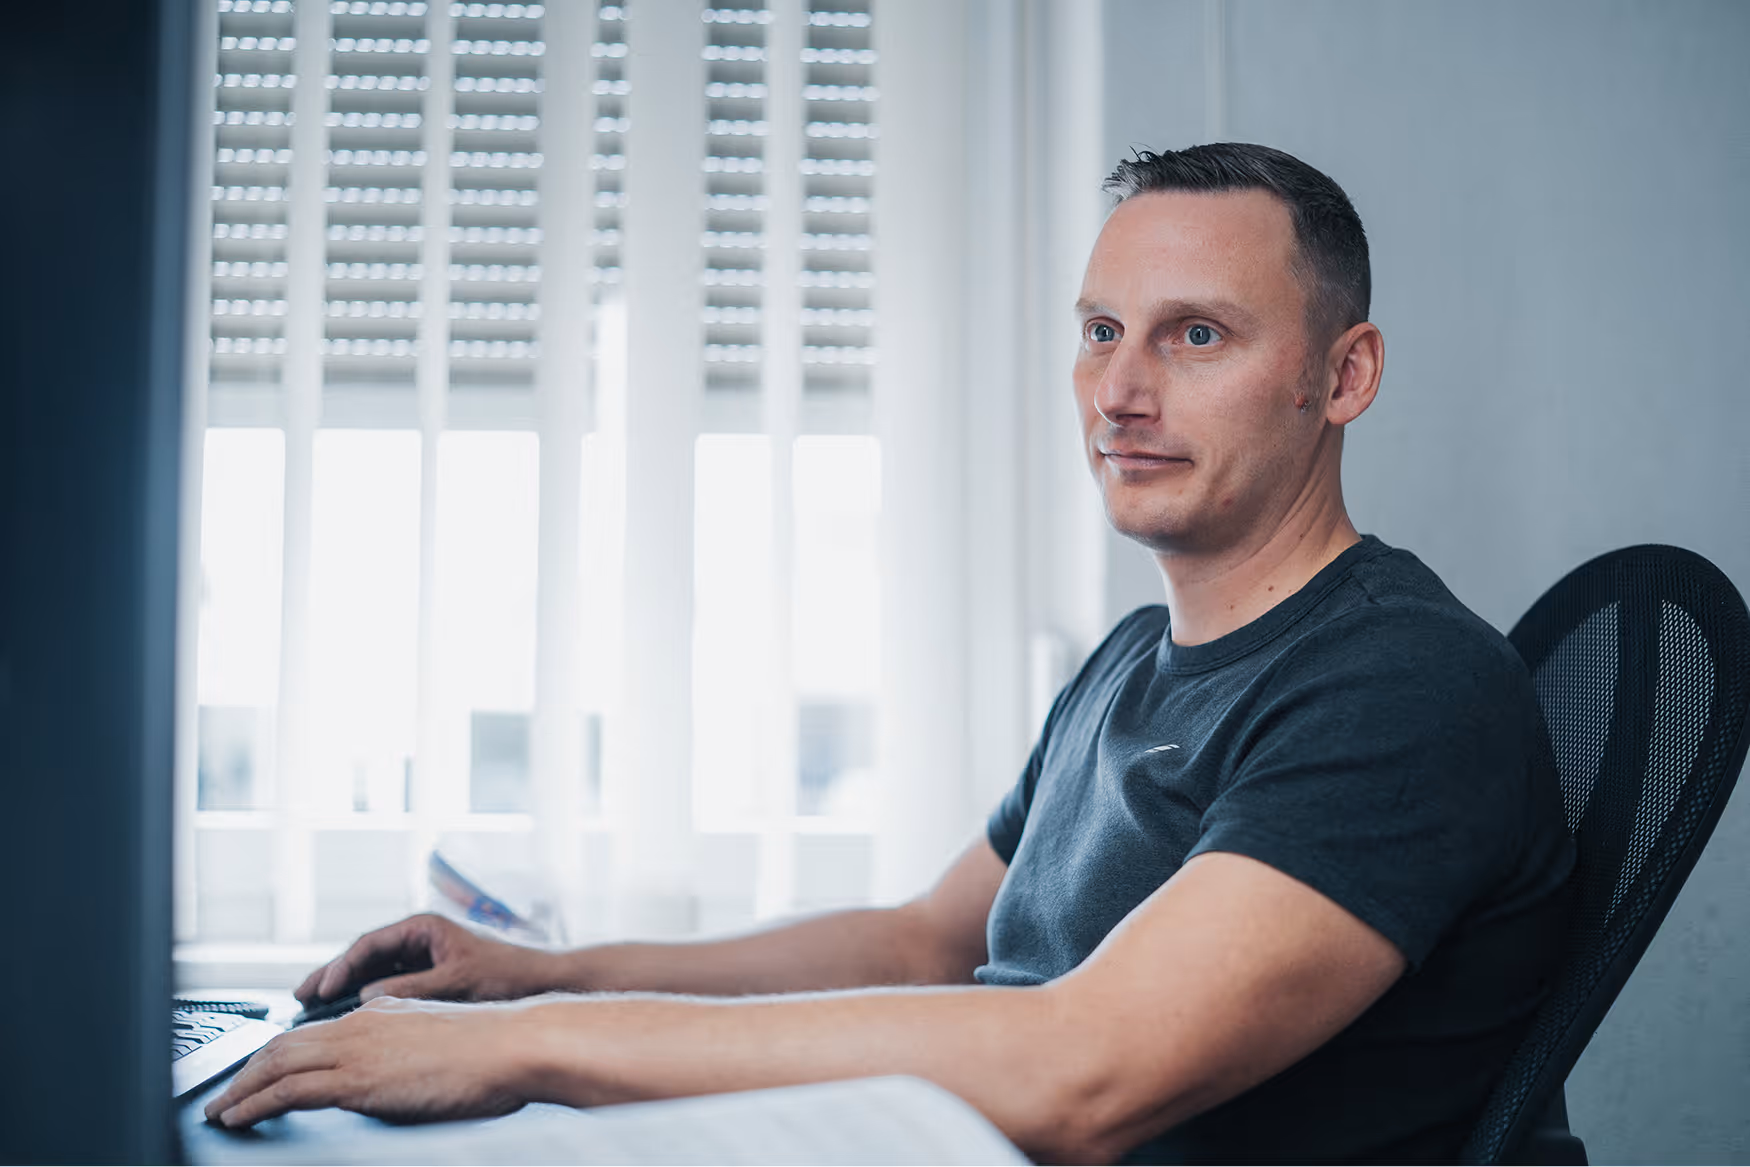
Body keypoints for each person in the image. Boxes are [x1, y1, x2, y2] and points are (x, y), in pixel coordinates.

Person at [206, 144, 1574, 1164]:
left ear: (1342, 377)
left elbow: (1083, 1071)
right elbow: (924, 939)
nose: (1119, 390)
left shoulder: (1401, 684)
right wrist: (540, 979)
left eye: (1193, 335)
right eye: (1100, 331)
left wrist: (517, 1050)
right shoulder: (1133, 662)